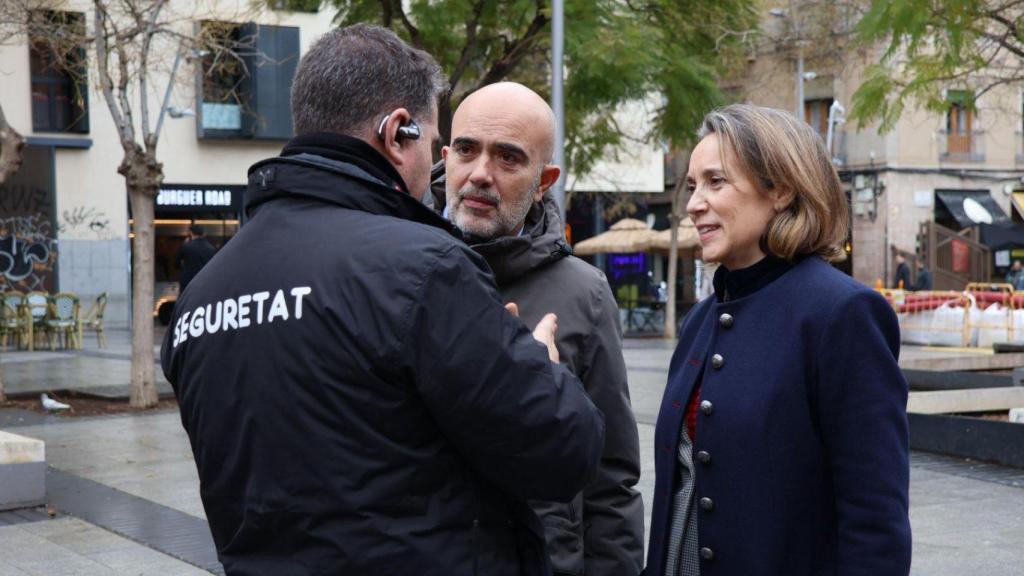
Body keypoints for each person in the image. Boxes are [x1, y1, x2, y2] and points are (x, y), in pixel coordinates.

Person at [161, 25, 605, 576]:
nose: (442, 174)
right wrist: (541, 372)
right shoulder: (424, 268)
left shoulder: (201, 298)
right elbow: (564, 452)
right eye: (443, 145)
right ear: (398, 133)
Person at [646, 104, 911, 576]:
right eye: (692, 186)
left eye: (715, 181)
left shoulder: (842, 314)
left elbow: (874, 519)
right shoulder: (701, 320)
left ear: (782, 190)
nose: (693, 203)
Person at [443, 82, 644, 576]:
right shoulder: (396, 269)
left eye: (508, 158)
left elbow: (611, 480)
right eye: (467, 150)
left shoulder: (585, 294)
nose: (480, 174)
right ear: (444, 157)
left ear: (543, 180)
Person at [175, 224, 215, 294]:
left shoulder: (186, 246)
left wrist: (184, 267)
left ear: (191, 233)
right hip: (204, 281)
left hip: (188, 281)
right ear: (203, 234)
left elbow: (176, 263)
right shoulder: (211, 248)